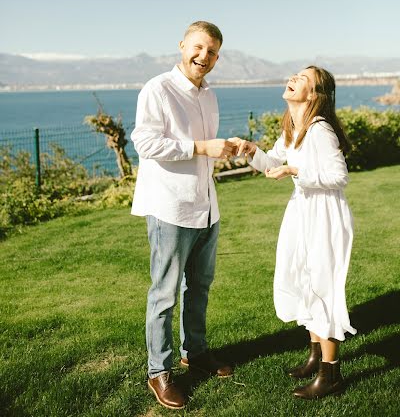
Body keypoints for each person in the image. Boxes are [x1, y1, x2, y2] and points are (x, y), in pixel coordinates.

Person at [231, 66, 356, 400]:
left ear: (313, 94)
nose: (294, 78)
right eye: (296, 74)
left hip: (324, 215)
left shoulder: (319, 130)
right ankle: (315, 356)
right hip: (301, 211)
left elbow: (338, 176)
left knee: (322, 288)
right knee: (303, 280)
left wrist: (295, 170)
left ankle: (331, 374)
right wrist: (251, 151)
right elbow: (274, 162)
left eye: (303, 78)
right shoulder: (293, 127)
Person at [131, 21, 235, 411]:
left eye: (211, 52)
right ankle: (159, 371)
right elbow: (144, 141)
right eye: (198, 48)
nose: (203, 57)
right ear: (182, 46)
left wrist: (223, 149)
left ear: (217, 58)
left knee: (201, 287)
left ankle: (196, 352)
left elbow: (204, 151)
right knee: (164, 294)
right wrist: (201, 147)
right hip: (171, 208)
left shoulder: (208, 95)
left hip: (206, 206)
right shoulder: (158, 88)